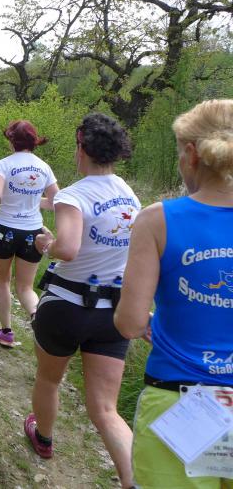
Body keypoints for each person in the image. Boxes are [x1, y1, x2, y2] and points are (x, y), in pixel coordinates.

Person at [114, 100, 233, 489]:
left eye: (180, 154)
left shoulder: (157, 219)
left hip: (179, 404)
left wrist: (148, 322)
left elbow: (129, 323)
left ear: (193, 154)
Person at [29, 113, 139, 489]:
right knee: (106, 409)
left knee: (49, 379)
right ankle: (136, 479)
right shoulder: (128, 194)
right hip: (112, 312)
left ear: (82, 147)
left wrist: (46, 244)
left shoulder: (73, 195)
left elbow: (68, 248)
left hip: (65, 306)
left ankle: (43, 438)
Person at [0, 120, 59, 348]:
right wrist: (34, 201)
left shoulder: (3, 165)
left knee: (2, 280)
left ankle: (6, 332)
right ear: (34, 141)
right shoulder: (44, 167)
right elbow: (56, 201)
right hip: (33, 232)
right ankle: (37, 317)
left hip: (4, 230)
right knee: (25, 287)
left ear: (11, 140)